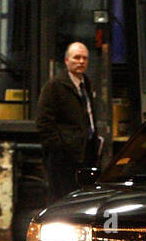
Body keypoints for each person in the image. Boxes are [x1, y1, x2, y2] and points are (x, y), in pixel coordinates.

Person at [35, 42, 100, 202]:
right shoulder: (54, 86)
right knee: (63, 197)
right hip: (64, 157)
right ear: (66, 61)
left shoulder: (86, 84)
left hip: (85, 151)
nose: (81, 61)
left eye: (84, 58)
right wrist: (59, 148)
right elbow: (44, 121)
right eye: (76, 57)